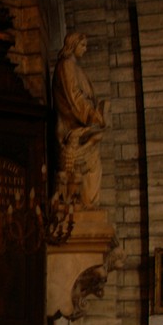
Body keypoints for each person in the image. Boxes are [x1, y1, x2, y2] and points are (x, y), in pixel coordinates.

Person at [53, 30, 108, 209]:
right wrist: (91, 115)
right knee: (90, 168)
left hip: (81, 125)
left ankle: (88, 205)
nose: (85, 49)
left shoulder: (75, 67)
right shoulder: (67, 65)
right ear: (73, 45)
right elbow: (74, 97)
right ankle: (85, 204)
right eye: (82, 45)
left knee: (93, 167)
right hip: (73, 127)